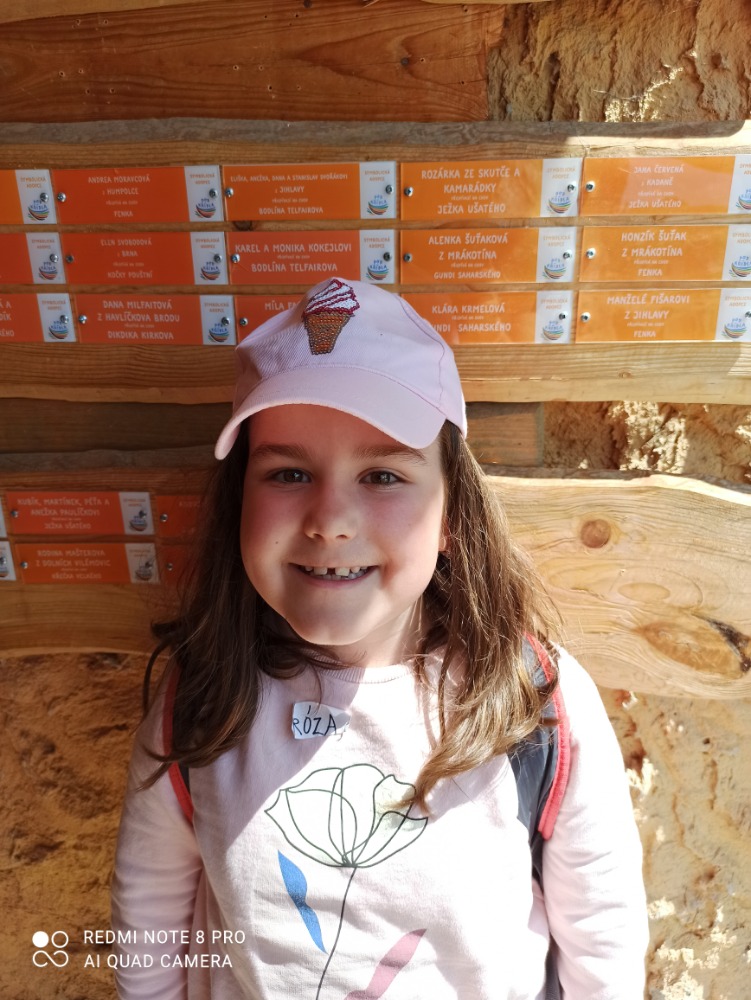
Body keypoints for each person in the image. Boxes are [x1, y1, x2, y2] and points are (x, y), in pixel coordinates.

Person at [111, 277, 648, 1000]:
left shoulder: (531, 701)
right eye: (289, 472)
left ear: (451, 515)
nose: (330, 519)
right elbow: (149, 927)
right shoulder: (204, 701)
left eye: (382, 475)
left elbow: (602, 938)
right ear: (240, 502)